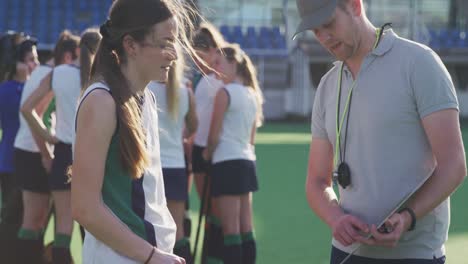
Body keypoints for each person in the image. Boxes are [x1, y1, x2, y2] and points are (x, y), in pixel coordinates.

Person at [293, 0, 467, 263]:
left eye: (328, 24)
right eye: (315, 31)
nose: (324, 38)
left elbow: (453, 166)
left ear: (354, 5)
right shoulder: (327, 86)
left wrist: (407, 216)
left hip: (415, 254)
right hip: (345, 253)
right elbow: (316, 182)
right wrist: (336, 218)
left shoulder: (419, 63)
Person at [71, 0, 203, 263]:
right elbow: (84, 208)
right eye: (165, 42)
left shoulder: (146, 98)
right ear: (130, 45)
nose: (173, 54)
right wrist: (151, 255)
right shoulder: (101, 101)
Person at [21, 29, 101, 263]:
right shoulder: (103, 77)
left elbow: (27, 109)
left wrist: (48, 135)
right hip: (93, 157)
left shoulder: (59, 73)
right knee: (96, 228)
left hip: (65, 153)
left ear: (78, 50)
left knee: (63, 228)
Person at [15, 30, 80, 264]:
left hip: (38, 151)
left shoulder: (51, 73)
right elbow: (33, 116)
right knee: (33, 220)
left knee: (41, 221)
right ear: (68, 57)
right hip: (33, 152)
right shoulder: (52, 75)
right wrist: (47, 147)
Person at [203, 44, 264, 264]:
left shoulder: (224, 93)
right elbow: (251, 139)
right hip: (247, 162)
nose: (215, 68)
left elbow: (214, 135)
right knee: (246, 226)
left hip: (226, 162)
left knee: (231, 229)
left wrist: (206, 154)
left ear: (233, 63)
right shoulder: (252, 94)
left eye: (218, 63)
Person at [148, 48, 198, 263]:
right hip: (177, 166)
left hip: (151, 168)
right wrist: (180, 134)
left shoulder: (146, 88)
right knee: (178, 232)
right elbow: (194, 125)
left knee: (151, 230)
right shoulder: (185, 91)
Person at [0, 32, 39, 263]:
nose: (35, 64)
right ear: (16, 63)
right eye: (30, 59)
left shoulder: (35, 87)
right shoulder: (8, 90)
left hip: (29, 161)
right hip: (12, 163)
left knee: (30, 219)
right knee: (13, 219)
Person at [191, 22, 226, 263]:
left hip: (212, 151)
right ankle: (208, 255)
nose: (196, 63)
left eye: (198, 56)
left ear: (213, 50)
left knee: (217, 212)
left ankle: (214, 256)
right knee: (206, 211)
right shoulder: (203, 80)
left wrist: (211, 147)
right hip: (198, 149)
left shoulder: (222, 79)